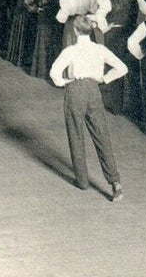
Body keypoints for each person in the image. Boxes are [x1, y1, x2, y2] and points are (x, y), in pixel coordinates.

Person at [48, 16, 127, 201]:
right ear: (91, 31)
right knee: (101, 135)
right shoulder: (100, 49)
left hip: (75, 90)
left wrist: (64, 82)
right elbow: (122, 68)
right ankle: (115, 183)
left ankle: (82, 181)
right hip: (93, 90)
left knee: (76, 134)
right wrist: (104, 79)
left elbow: (54, 72)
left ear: (75, 31)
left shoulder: (71, 50)